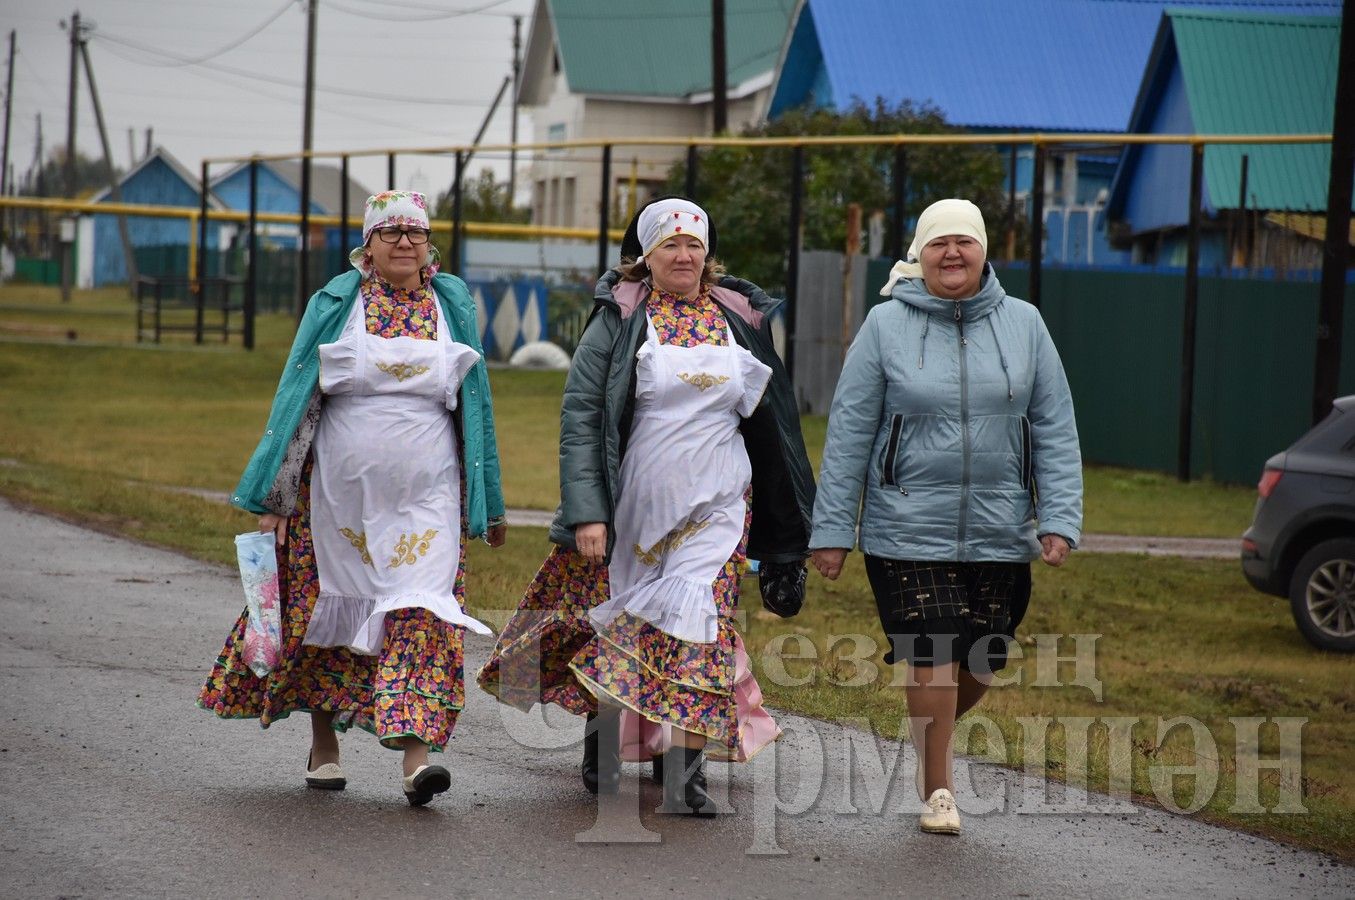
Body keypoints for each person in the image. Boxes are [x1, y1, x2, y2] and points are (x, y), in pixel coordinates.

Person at [477, 197, 814, 815]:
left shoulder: (740, 320)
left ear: (707, 256)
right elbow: (582, 418)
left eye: (694, 246)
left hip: (717, 509)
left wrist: (789, 529)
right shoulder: (620, 319)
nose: (684, 256)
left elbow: (776, 429)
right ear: (646, 256)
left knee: (700, 626)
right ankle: (603, 740)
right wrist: (588, 512)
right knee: (627, 621)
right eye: (670, 245)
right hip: (635, 507)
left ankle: (684, 773)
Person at [199, 190, 507, 807]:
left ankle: (416, 760)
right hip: (336, 499)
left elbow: (478, 408)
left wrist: (488, 501)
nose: (402, 242)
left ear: (429, 247)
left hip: (429, 499)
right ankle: (324, 749)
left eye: (414, 233)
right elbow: (296, 399)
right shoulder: (337, 302)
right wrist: (276, 499)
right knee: (329, 612)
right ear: (367, 247)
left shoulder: (453, 306)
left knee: (422, 611)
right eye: (388, 232)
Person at [810, 198, 1082, 835]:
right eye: (939, 243)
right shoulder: (884, 325)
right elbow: (850, 432)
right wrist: (830, 532)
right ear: (919, 254)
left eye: (964, 242)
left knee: (982, 661)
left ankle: (927, 736)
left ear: (985, 251)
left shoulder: (1026, 324)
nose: (952, 253)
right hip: (905, 525)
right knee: (931, 650)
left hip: (999, 526)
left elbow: (1055, 427)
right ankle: (939, 790)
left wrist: (1059, 517)